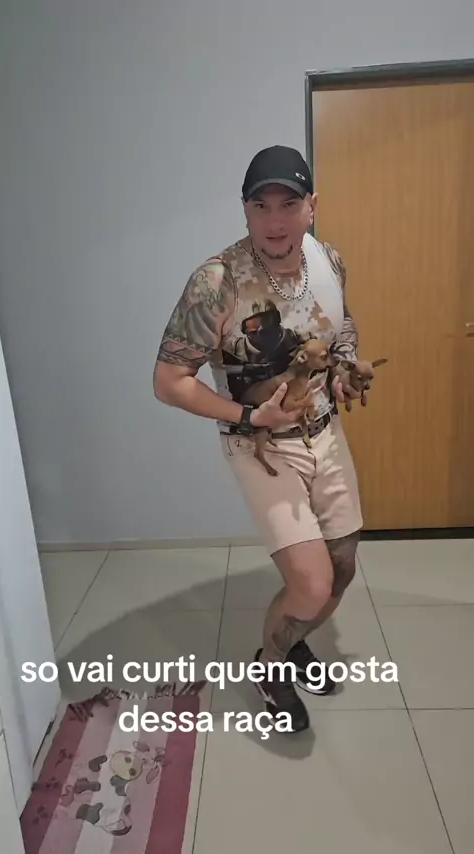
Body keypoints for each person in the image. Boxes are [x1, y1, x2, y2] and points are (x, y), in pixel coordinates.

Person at [153, 145, 368, 734]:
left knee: (342, 568)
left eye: (288, 204)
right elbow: (169, 382)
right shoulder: (216, 283)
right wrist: (250, 418)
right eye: (260, 205)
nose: (275, 220)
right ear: (245, 209)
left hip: (325, 431)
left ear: (311, 206)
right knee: (312, 582)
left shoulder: (328, 260)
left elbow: (341, 323)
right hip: (259, 444)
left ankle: (292, 642)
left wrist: (344, 366)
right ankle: (270, 666)